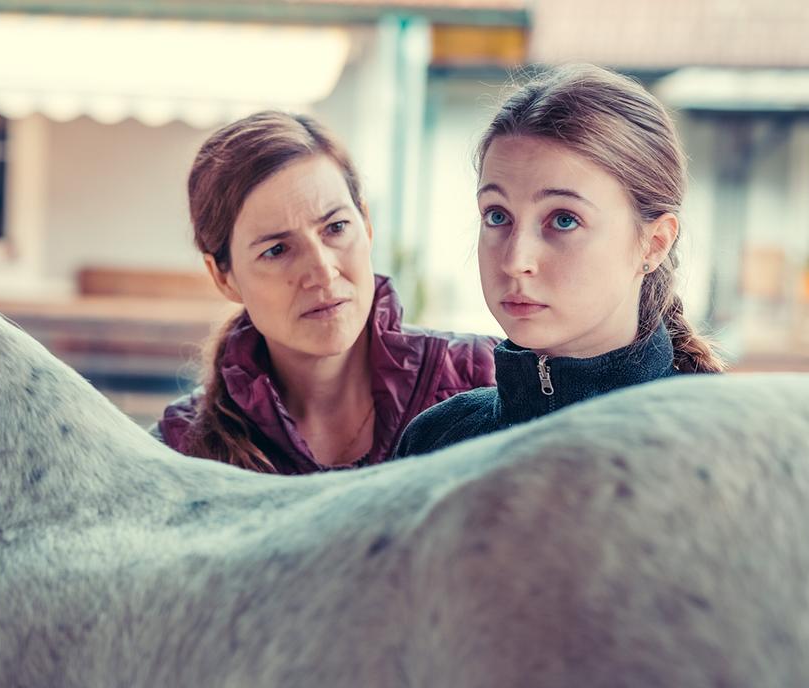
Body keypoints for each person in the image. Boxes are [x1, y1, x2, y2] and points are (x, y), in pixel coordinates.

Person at [396, 64, 726, 458]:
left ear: (653, 243)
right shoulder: (438, 440)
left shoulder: (717, 449)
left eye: (564, 220)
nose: (516, 261)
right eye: (497, 215)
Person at [153, 111, 498, 474]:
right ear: (223, 277)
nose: (321, 271)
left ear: (365, 225)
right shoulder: (182, 450)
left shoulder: (485, 377)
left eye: (335, 227)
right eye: (276, 250)